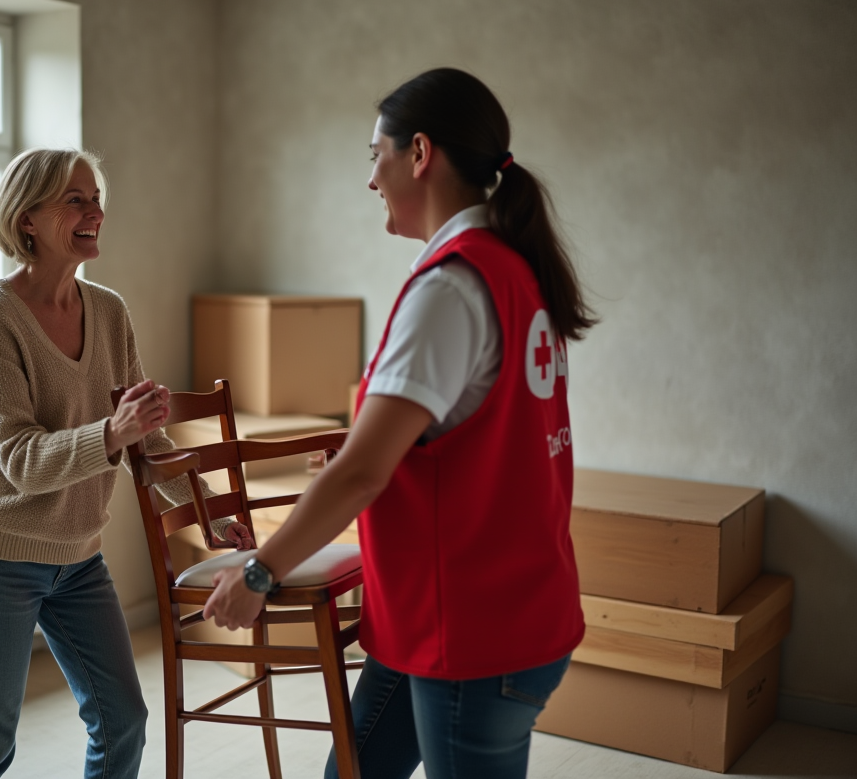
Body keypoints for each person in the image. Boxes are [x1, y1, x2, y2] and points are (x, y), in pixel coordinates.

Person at [202, 68, 598, 779]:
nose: (370, 177)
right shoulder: (513, 269)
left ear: (420, 154)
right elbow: (452, 443)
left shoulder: (450, 286)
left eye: (374, 154)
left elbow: (363, 469)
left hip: (472, 634)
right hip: (464, 614)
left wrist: (261, 571)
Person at [0, 148, 253, 779]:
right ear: (27, 218)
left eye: (96, 199)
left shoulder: (109, 311)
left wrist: (208, 520)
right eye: (75, 200)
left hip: (78, 558)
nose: (95, 212)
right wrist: (113, 431)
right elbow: (23, 461)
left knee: (123, 724)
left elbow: (145, 444)